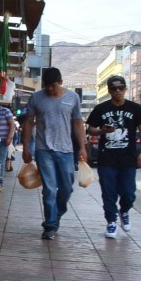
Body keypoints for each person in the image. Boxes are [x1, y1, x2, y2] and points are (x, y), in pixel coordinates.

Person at [22, 67, 87, 240]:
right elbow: (28, 123)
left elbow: (78, 123)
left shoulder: (72, 98)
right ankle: (49, 225)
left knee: (66, 188)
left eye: (53, 85)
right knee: (49, 189)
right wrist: (26, 147)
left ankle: (56, 214)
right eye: (46, 86)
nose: (49, 89)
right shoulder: (36, 98)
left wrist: (82, 147)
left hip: (66, 150)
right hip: (44, 150)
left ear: (61, 82)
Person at [85, 76, 141, 239]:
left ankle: (124, 211)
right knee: (108, 193)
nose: (118, 91)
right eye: (114, 89)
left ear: (126, 89)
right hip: (107, 159)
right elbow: (90, 129)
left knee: (129, 193)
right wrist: (101, 131)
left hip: (128, 159)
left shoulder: (135, 108)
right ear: (109, 91)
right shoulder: (101, 109)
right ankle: (111, 222)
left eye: (121, 88)